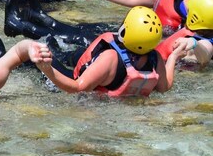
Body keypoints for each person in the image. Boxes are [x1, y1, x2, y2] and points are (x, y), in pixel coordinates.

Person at [33, 7, 187, 97]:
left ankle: (48, 47)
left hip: (83, 85)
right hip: (108, 81)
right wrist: (173, 56)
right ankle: (55, 47)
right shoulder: (155, 57)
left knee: (34, 53)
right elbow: (163, 87)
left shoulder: (110, 58)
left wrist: (47, 70)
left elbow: (77, 88)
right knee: (78, 52)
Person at [154, 0, 213, 65]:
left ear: (194, 18)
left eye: (188, 11)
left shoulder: (205, 42)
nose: (186, 14)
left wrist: (195, 43)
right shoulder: (189, 32)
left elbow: (205, 54)